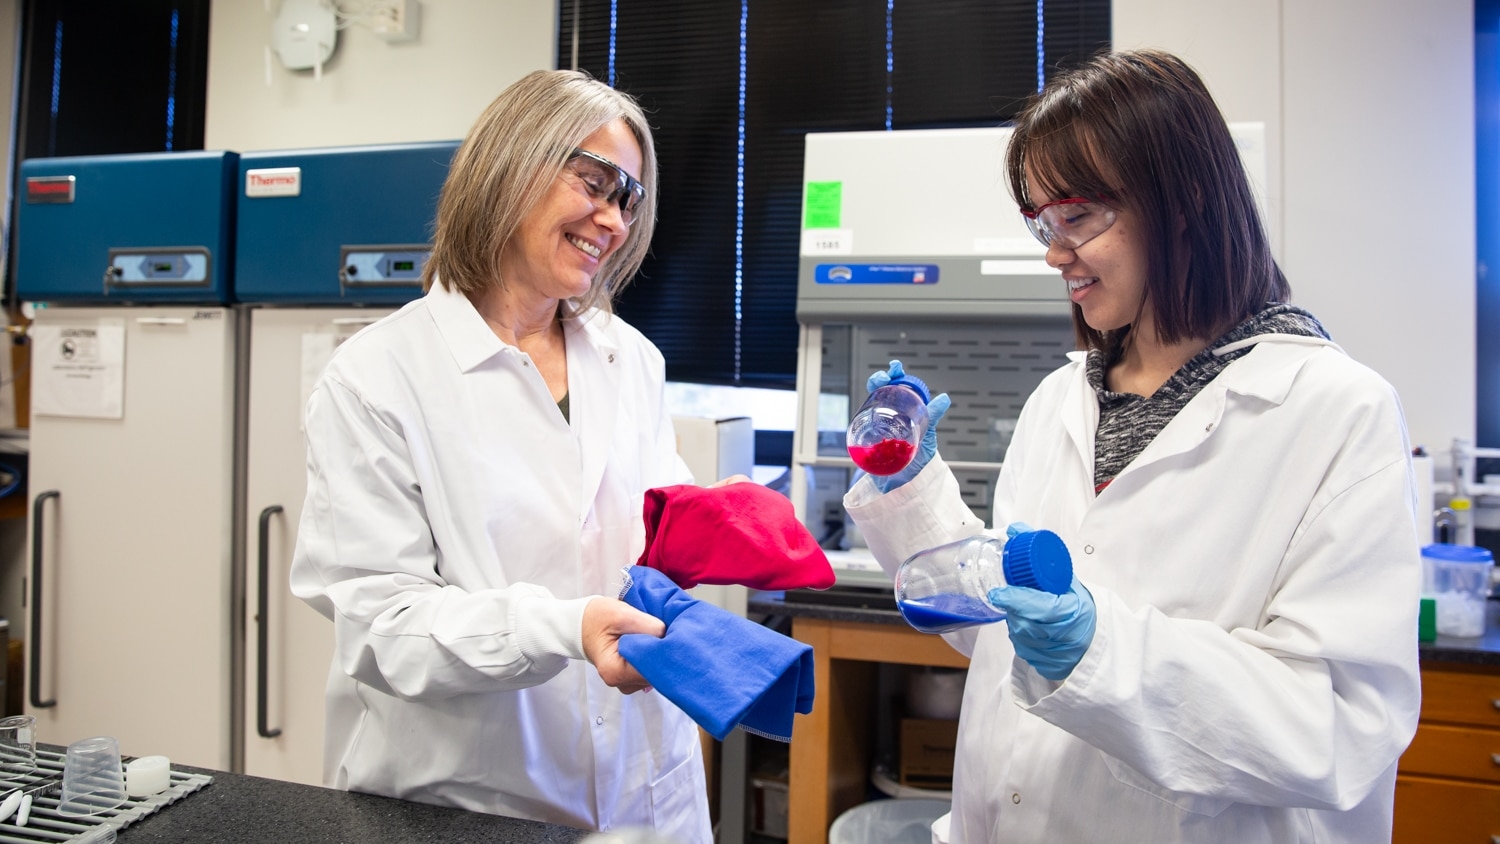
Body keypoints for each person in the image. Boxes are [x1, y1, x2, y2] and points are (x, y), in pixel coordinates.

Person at [844, 49, 1421, 842]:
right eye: (1040, 224)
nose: (1053, 253)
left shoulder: (1335, 412)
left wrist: (1099, 650)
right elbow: (1004, 627)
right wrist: (911, 489)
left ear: (1181, 201)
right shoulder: (1063, 399)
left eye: (1076, 218)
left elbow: (1337, 728)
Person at [290, 69, 716, 843]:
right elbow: (384, 626)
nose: (613, 219)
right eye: (596, 182)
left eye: (630, 199)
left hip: (643, 794)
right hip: (468, 806)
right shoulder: (377, 379)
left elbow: (650, 539)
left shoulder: (632, 360)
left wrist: (714, 535)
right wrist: (561, 628)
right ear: (511, 163)